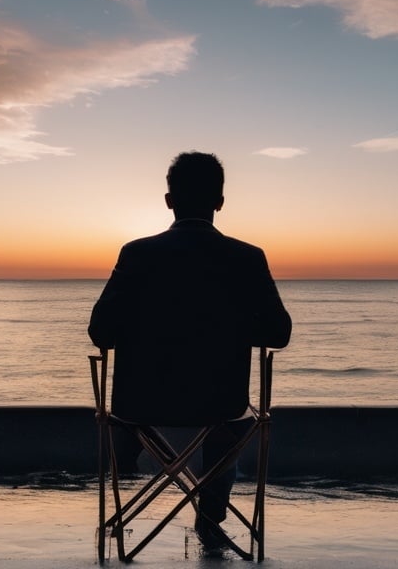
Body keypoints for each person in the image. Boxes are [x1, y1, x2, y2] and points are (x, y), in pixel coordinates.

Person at [88, 151, 291, 546]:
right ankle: (211, 515)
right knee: (232, 423)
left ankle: (126, 471)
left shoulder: (136, 254)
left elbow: (100, 332)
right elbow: (278, 333)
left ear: (169, 200)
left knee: (129, 417)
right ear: (220, 202)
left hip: (139, 409)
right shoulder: (248, 258)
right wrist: (230, 328)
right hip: (221, 406)